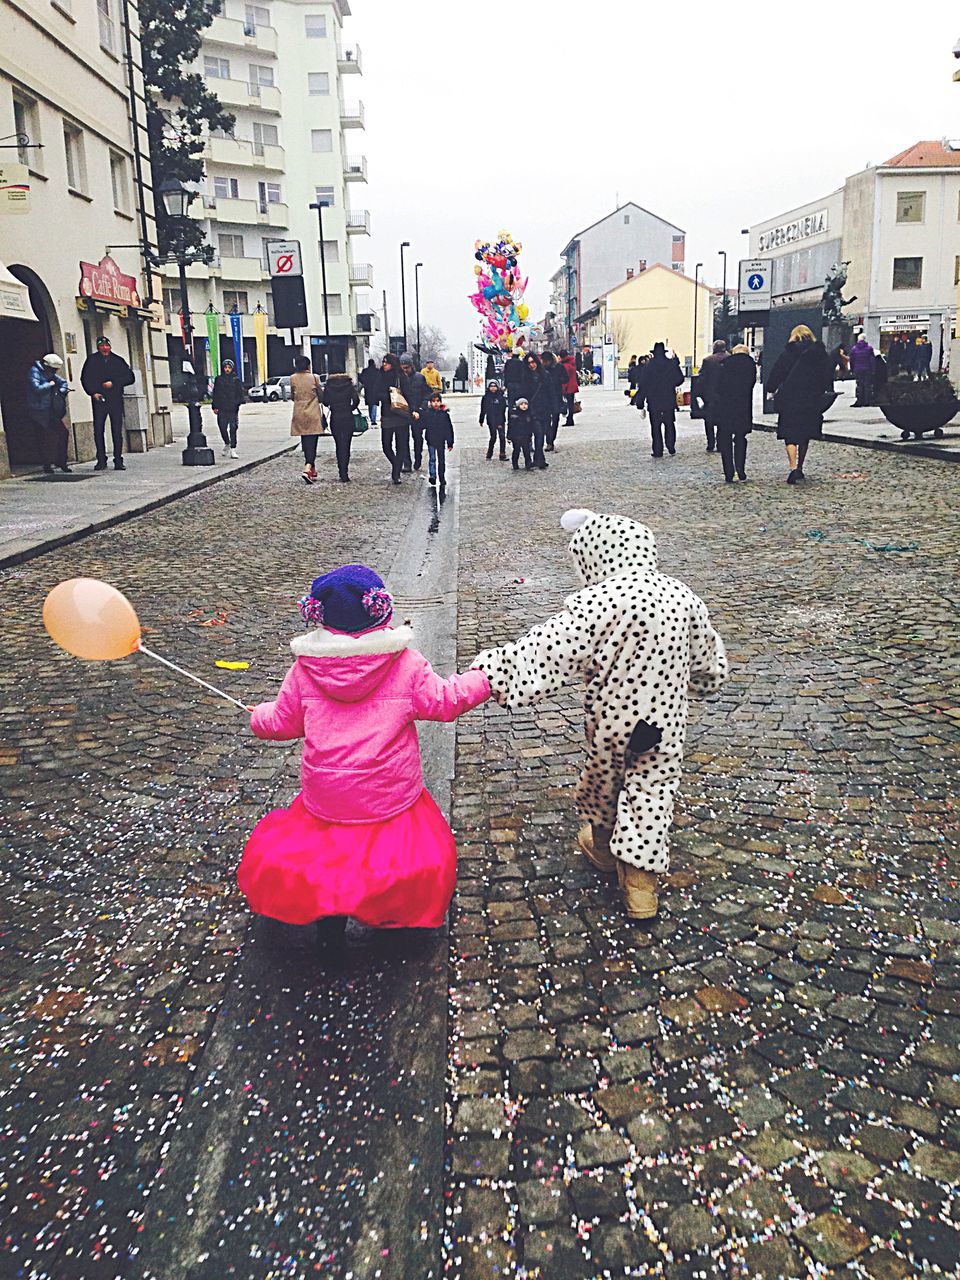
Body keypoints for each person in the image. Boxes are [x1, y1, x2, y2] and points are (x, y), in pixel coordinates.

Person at [472, 508, 726, 920]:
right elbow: (707, 656)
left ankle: (606, 847)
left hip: (613, 717)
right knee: (653, 788)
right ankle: (641, 886)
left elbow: (549, 649)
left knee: (604, 777)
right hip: (664, 720)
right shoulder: (682, 595)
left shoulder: (599, 600)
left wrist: (498, 673)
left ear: (594, 557)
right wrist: (704, 683)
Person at [238, 564, 490, 933]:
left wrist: (258, 715)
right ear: (380, 611)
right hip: (388, 790)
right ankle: (389, 911)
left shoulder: (304, 669)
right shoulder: (405, 664)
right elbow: (446, 701)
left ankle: (330, 921)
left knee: (331, 857)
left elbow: (282, 722)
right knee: (393, 855)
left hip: (327, 795)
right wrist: (483, 678)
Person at [765, 324, 833, 484]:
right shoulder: (819, 354)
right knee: (805, 434)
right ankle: (801, 466)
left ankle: (793, 467)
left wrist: (771, 388)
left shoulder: (788, 353)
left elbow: (777, 373)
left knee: (790, 434)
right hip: (811, 399)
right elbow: (827, 374)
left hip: (790, 398)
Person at [80, 335, 135, 471]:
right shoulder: (92, 361)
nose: (105, 348)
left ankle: (118, 459)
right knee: (98, 430)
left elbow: (130, 377)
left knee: (116, 430)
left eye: (107, 346)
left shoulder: (118, 361)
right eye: (102, 346)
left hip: (115, 399)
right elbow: (85, 378)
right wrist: (93, 393)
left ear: (110, 347)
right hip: (99, 399)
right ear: (98, 347)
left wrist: (114, 383)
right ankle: (101, 459)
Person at [713, 343, 756, 483]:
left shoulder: (725, 365)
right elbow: (752, 383)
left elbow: (718, 386)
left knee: (725, 439)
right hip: (743, 406)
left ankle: (728, 471)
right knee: (740, 438)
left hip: (726, 406)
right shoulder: (750, 366)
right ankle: (740, 468)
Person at [27, 352, 71, 474]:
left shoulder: (50, 373)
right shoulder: (34, 371)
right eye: (54, 369)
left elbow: (63, 383)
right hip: (38, 410)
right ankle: (47, 464)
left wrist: (61, 391)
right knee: (43, 437)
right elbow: (36, 389)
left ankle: (61, 460)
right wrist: (49, 385)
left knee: (63, 433)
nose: (55, 372)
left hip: (50, 409)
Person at [637, 342, 683, 458]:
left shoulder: (648, 367)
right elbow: (680, 379)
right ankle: (671, 445)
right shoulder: (670, 365)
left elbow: (643, 385)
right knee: (669, 424)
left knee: (655, 427)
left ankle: (658, 450)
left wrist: (640, 402)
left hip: (654, 400)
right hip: (668, 399)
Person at [289, 356, 324, 484]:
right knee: (312, 442)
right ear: (308, 365)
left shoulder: (292, 378)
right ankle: (308, 467)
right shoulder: (314, 378)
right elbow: (321, 396)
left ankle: (311, 468)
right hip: (312, 412)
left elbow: (293, 396)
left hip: (299, 412)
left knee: (305, 441)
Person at [379, 352, 412, 485]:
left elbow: (409, 395)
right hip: (387, 415)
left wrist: (413, 410)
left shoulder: (401, 377)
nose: (384, 365)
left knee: (401, 445)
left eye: (386, 362)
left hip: (401, 415)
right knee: (386, 445)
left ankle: (396, 473)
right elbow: (376, 393)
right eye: (383, 362)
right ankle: (396, 465)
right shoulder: (380, 377)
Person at [321, 371, 360, 482]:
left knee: (338, 444)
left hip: (335, 416)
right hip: (347, 416)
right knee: (346, 444)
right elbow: (356, 400)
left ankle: (341, 470)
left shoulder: (329, 385)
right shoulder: (348, 384)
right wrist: (350, 408)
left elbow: (325, 401)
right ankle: (345, 472)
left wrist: (333, 406)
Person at [696, 339, 729, 452]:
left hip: (710, 395)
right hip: (725, 395)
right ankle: (721, 443)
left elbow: (702, 379)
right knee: (723, 420)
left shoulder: (708, 360)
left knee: (709, 420)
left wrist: (700, 394)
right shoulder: (730, 358)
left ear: (715, 348)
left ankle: (711, 443)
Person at [520, 351, 550, 468]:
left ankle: (539, 458)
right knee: (538, 434)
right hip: (532, 410)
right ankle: (538, 459)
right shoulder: (525, 378)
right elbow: (523, 394)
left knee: (541, 435)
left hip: (544, 408)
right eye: (529, 363)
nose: (532, 365)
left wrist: (554, 407)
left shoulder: (545, 375)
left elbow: (551, 392)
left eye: (533, 362)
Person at [211, 358, 246, 458]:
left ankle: (233, 449)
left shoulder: (236, 380)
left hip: (232, 408)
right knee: (222, 427)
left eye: (229, 368)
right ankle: (227, 443)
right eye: (225, 367)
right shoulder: (219, 379)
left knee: (233, 428)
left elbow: (240, 394)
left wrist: (237, 403)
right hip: (222, 407)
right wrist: (214, 406)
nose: (227, 369)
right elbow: (215, 393)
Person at [399, 353, 429, 471]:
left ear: (411, 366)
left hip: (417, 412)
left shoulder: (419, 377)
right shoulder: (400, 379)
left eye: (407, 367)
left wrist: (421, 408)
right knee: (403, 439)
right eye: (403, 368)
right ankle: (407, 462)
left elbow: (427, 394)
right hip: (404, 413)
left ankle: (418, 457)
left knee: (417, 437)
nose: (405, 370)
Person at [422, 390, 454, 490]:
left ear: (440, 402)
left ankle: (441, 476)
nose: (435, 403)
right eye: (433, 401)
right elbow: (423, 425)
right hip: (431, 439)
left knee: (441, 460)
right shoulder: (427, 414)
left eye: (437, 401)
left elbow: (449, 428)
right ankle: (432, 475)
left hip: (441, 440)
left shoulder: (444, 415)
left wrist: (450, 442)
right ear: (430, 403)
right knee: (432, 459)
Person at [541, 351, 565, 451]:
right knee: (546, 420)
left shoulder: (559, 367)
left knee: (555, 419)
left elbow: (566, 378)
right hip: (545, 398)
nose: (545, 363)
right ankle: (549, 441)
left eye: (546, 361)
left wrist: (559, 380)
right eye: (543, 361)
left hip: (556, 396)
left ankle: (551, 441)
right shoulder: (541, 370)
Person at [479, 379, 507, 460]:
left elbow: (503, 408)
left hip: (500, 419)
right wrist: (481, 419)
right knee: (493, 437)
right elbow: (483, 409)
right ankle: (489, 453)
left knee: (502, 437)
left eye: (494, 386)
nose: (493, 388)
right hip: (491, 420)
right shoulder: (486, 397)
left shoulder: (501, 396)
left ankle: (502, 454)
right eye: (491, 386)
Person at [848, 334, 876, 407]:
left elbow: (852, 360)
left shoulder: (854, 349)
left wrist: (852, 369)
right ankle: (867, 401)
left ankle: (859, 401)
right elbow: (872, 360)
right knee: (867, 385)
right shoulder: (869, 348)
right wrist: (873, 369)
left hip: (858, 369)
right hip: (867, 369)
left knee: (859, 385)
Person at [507, 396, 534, 470]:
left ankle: (528, 464)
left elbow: (530, 426)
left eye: (525, 404)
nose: (524, 406)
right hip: (516, 436)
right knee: (516, 450)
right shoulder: (514, 415)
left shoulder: (529, 414)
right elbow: (510, 426)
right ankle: (515, 463)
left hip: (526, 436)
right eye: (522, 404)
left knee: (527, 451)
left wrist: (530, 434)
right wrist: (509, 436)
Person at [358, 358, 383, 426]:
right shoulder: (377, 371)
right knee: (374, 405)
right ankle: (373, 419)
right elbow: (380, 380)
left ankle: (371, 417)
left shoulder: (365, 371)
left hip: (368, 389)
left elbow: (361, 379)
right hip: (376, 390)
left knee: (370, 405)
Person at [558, 349, 578, 425]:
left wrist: (562, 388)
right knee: (570, 404)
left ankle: (569, 420)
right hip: (573, 386)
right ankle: (570, 419)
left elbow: (565, 378)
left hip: (567, 387)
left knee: (567, 404)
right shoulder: (572, 363)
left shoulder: (564, 366)